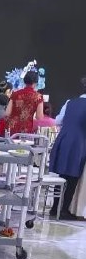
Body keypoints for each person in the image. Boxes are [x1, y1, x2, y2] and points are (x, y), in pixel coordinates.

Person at [49, 77, 86, 219]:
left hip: (64, 138)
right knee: (73, 177)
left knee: (62, 175)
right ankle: (64, 210)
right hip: (79, 142)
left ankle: (54, 207)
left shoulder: (70, 102)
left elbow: (58, 120)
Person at [3, 70, 43, 135]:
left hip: (12, 127)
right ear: (35, 83)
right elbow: (39, 117)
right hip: (25, 129)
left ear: (24, 81)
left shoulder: (15, 94)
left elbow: (7, 113)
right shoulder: (38, 97)